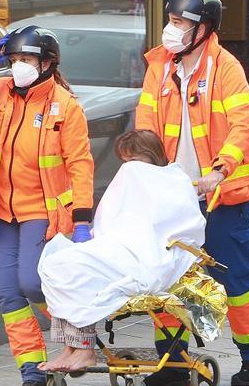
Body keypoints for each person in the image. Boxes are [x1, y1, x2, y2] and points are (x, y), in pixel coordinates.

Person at [136, 0, 249, 386]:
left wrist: (220, 169)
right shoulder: (159, 65)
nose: (171, 29)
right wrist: (142, 167)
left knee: (235, 278)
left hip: (222, 194)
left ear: (204, 29)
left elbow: (242, 123)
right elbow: (145, 122)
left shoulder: (225, 67)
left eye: (180, 22)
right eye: (170, 20)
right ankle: (174, 363)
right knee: (166, 277)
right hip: (173, 196)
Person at [0, 26, 95, 386]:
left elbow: (80, 164)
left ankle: (80, 336)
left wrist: (82, 220)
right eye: (13, 60)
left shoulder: (65, 106)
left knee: (31, 283)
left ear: (46, 64)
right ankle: (31, 369)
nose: (18, 67)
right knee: (7, 294)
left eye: (26, 60)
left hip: (40, 213)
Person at [37, 130, 205, 372]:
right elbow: (113, 217)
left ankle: (85, 348)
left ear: (153, 156)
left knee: (79, 270)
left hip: (147, 255)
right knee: (59, 262)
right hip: (118, 246)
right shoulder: (129, 180)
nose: (129, 168)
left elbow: (181, 227)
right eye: (125, 162)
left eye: (136, 161)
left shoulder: (174, 181)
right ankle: (70, 346)